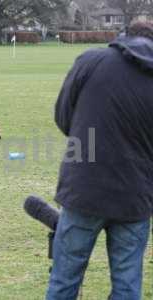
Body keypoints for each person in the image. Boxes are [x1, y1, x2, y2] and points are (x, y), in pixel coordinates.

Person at [46, 21, 153, 300]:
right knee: (128, 286)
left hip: (84, 189)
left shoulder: (91, 60)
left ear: (124, 37)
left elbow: (63, 116)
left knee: (64, 281)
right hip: (135, 196)